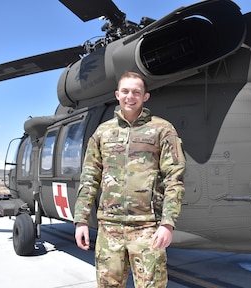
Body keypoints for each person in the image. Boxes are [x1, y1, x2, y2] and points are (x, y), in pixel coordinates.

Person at [74, 71, 186, 287]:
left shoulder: (162, 130)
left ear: (145, 97)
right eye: (125, 91)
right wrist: (81, 220)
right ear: (117, 94)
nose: (130, 96)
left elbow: (175, 178)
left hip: (147, 228)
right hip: (109, 228)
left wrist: (168, 223)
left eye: (136, 92)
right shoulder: (103, 132)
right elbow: (89, 177)